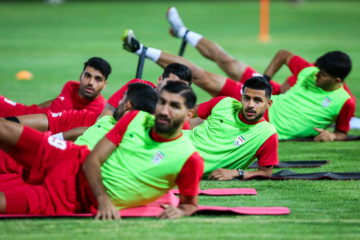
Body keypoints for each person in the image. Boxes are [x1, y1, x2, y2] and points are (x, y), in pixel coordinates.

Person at [121, 8, 355, 142]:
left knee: (200, 75)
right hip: (262, 91)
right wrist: (265, 79)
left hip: (259, 107)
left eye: (321, 75)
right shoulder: (311, 71)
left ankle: (141, 49)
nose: (315, 75)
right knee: (227, 60)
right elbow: (284, 54)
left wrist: (333, 136)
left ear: (337, 80)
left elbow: (343, 132)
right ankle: (183, 32)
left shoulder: (345, 102)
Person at [0, 81, 204, 220]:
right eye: (162, 102)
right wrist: (104, 200)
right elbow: (92, 160)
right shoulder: (134, 119)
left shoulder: (189, 159)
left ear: (188, 115)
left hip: (71, 198)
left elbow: (190, 204)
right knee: (5, 128)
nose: (164, 110)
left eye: (174, 106)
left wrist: (182, 211)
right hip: (67, 157)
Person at [4, 63, 193, 141]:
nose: (174, 90)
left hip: (90, 139)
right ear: (160, 80)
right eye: (171, 83)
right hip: (81, 123)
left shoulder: (174, 119)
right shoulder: (138, 87)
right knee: (12, 124)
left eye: (180, 87)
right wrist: (57, 139)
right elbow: (103, 122)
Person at [184, 76, 278, 180]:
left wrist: (237, 173)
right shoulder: (224, 103)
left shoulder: (267, 134)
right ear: (241, 98)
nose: (250, 105)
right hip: (172, 145)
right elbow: (185, 113)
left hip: (185, 164)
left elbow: (266, 172)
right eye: (246, 98)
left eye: (257, 100)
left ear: (268, 104)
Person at [0, 57, 110, 117]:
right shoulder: (70, 87)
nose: (91, 82)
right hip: (31, 119)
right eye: (87, 76)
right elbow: (51, 104)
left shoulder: (102, 111)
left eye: (98, 79)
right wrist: (30, 111)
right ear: (81, 76)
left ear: (104, 85)